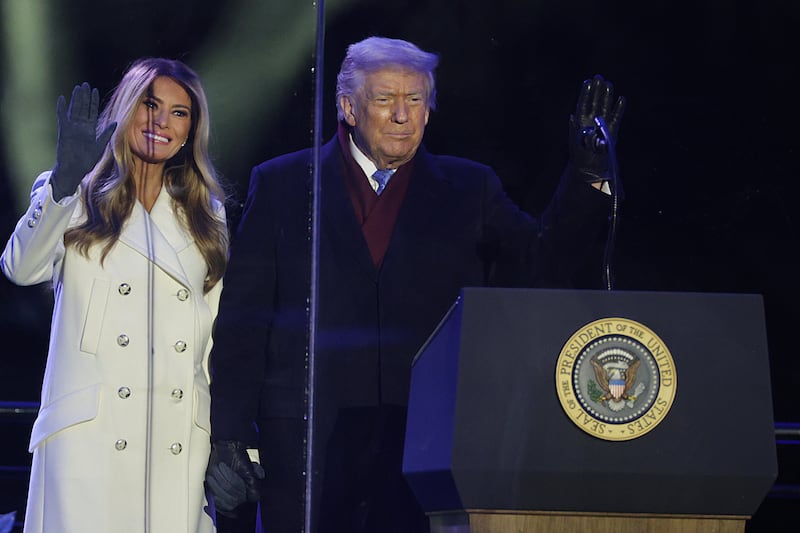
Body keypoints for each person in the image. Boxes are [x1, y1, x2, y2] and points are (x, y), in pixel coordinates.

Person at [205, 36, 625, 533]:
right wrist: (227, 432)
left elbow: (542, 265)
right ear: (348, 107)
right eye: (385, 100)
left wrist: (586, 177)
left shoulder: (471, 189)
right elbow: (243, 320)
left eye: (416, 99)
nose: (402, 115)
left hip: (424, 449)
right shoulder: (283, 183)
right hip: (305, 449)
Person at [1, 58, 229, 533]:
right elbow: (20, 268)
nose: (161, 121)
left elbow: (209, 344)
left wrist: (219, 436)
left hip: (173, 437)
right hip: (89, 444)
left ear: (191, 130)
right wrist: (65, 178)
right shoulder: (75, 194)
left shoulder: (207, 216)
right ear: (126, 110)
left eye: (179, 112)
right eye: (149, 104)